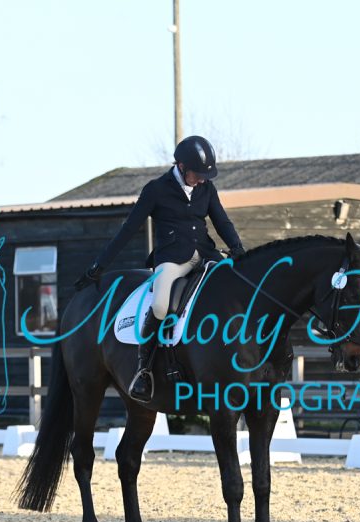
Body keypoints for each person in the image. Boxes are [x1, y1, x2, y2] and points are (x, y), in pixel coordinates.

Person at [74, 135, 245, 402]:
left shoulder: (207, 188)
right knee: (161, 305)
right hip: (173, 259)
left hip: (206, 254)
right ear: (181, 166)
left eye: (205, 176)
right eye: (197, 174)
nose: (201, 180)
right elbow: (128, 230)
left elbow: (222, 221)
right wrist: (100, 265)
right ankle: (144, 369)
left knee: (235, 292)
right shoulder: (156, 190)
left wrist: (237, 249)